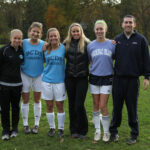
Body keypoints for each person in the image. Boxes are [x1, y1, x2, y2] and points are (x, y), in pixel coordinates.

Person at [109, 15, 150, 145]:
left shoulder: (141, 40)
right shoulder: (117, 39)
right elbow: (111, 56)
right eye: (126, 22)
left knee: (132, 108)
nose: (128, 24)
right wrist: (110, 45)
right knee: (117, 108)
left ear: (134, 25)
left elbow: (146, 60)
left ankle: (134, 134)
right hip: (118, 80)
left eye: (130, 22)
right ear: (122, 25)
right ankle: (113, 132)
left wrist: (147, 77)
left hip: (133, 80)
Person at [87, 20, 115, 142]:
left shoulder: (112, 44)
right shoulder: (90, 46)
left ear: (106, 30)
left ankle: (107, 132)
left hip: (107, 78)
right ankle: (98, 131)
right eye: (97, 29)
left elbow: (115, 58)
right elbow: (90, 60)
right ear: (94, 30)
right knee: (95, 105)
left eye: (101, 29)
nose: (99, 31)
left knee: (103, 105)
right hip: (94, 77)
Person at [64, 23, 90, 139]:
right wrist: (46, 45)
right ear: (70, 32)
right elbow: (54, 48)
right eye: (73, 31)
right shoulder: (66, 44)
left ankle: (83, 129)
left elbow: (99, 45)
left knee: (79, 105)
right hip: (69, 78)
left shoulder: (87, 44)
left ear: (81, 32)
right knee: (71, 104)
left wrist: (111, 42)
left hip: (82, 78)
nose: (75, 33)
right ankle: (73, 130)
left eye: (77, 31)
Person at [21, 22, 45, 134]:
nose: (35, 34)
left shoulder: (44, 44)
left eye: (38, 32)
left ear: (41, 34)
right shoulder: (23, 42)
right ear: (30, 31)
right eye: (33, 31)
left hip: (38, 75)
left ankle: (36, 124)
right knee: (25, 100)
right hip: (25, 74)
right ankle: (25, 125)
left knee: (37, 99)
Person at [41, 28, 66, 138]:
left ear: (58, 36)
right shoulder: (45, 49)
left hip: (60, 81)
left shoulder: (64, 48)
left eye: (55, 36)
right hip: (46, 80)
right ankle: (52, 128)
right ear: (48, 37)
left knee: (60, 105)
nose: (53, 38)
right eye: (51, 36)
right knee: (49, 105)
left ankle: (61, 128)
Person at [0, 29, 24, 140]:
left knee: (15, 108)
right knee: (5, 109)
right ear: (11, 38)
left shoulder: (22, 51)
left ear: (21, 39)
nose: (17, 40)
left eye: (19, 38)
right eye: (15, 38)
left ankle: (14, 129)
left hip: (17, 85)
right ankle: (5, 130)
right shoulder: (3, 50)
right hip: (4, 85)